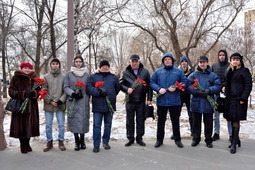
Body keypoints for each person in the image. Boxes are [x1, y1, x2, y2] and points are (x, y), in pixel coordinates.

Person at [150, 53, 187, 148]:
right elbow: (152, 82)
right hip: (162, 102)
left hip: (174, 101)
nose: (167, 61)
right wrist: (158, 89)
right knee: (161, 122)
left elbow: (184, 82)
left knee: (175, 121)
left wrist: (177, 88)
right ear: (163, 61)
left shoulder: (178, 71)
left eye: (169, 59)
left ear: (172, 61)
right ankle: (159, 140)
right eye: (165, 59)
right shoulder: (158, 72)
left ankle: (177, 139)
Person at [187, 56, 221, 148]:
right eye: (200, 62)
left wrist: (209, 90)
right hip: (196, 102)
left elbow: (218, 85)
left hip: (208, 102)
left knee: (208, 123)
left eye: (204, 62)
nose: (202, 64)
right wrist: (196, 92)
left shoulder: (213, 75)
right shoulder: (193, 75)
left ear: (207, 63)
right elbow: (188, 85)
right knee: (196, 122)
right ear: (198, 63)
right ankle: (196, 138)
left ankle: (208, 139)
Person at [86, 60, 120, 153]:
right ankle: (96, 144)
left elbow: (117, 89)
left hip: (110, 105)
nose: (105, 67)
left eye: (106, 65)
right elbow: (88, 88)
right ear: (100, 67)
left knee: (108, 125)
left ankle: (105, 141)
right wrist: (99, 92)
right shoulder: (93, 76)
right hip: (98, 105)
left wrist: (111, 96)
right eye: (103, 65)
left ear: (109, 67)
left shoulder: (113, 77)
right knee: (97, 125)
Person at [120, 54, 153, 147]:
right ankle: (130, 138)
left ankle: (139, 138)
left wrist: (149, 98)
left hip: (141, 101)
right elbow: (120, 84)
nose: (134, 63)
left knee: (140, 120)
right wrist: (127, 89)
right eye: (132, 61)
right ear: (130, 62)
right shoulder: (125, 72)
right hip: (130, 101)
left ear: (139, 62)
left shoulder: (145, 72)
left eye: (136, 61)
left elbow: (149, 86)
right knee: (129, 120)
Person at [223, 53, 252, 154]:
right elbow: (227, 82)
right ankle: (237, 139)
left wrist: (243, 97)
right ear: (230, 61)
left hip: (239, 100)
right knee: (231, 118)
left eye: (237, 59)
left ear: (240, 61)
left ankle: (234, 143)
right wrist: (224, 87)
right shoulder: (229, 71)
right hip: (230, 99)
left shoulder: (244, 71)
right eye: (233, 59)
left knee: (235, 120)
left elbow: (248, 85)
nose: (235, 61)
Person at [8, 62, 40, 154]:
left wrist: (34, 93)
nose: (27, 70)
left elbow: (38, 90)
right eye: (25, 68)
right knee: (21, 126)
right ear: (21, 68)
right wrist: (23, 94)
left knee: (30, 125)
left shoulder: (34, 78)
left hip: (32, 106)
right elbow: (11, 91)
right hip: (20, 106)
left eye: (29, 68)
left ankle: (28, 143)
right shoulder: (16, 78)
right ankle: (23, 144)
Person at [63, 54, 90, 151]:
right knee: (74, 121)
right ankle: (76, 142)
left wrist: (86, 96)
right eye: (76, 62)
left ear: (82, 63)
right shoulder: (69, 74)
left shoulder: (86, 74)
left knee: (82, 121)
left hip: (83, 101)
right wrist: (73, 93)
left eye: (80, 62)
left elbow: (89, 87)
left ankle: (82, 141)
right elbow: (65, 87)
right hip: (73, 101)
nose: (78, 63)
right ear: (74, 63)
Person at [42, 58, 67, 152]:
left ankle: (61, 141)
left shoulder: (64, 77)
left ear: (59, 65)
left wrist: (60, 101)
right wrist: (49, 100)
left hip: (60, 105)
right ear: (50, 65)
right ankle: (49, 142)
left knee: (61, 124)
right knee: (48, 125)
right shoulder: (46, 77)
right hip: (49, 105)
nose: (55, 65)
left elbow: (65, 90)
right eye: (53, 64)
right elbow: (43, 90)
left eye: (57, 64)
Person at [211, 49, 232, 141]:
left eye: (223, 55)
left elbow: (232, 79)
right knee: (216, 115)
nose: (221, 57)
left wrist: (225, 87)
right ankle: (216, 133)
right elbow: (212, 79)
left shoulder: (230, 66)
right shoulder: (214, 66)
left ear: (226, 56)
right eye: (220, 55)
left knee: (229, 115)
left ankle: (231, 134)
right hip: (216, 93)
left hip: (227, 94)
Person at [178, 56, 194, 135]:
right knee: (177, 114)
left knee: (191, 114)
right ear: (180, 63)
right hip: (179, 95)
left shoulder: (192, 72)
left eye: (185, 61)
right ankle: (176, 132)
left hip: (189, 95)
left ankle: (193, 131)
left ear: (187, 63)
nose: (184, 63)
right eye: (182, 61)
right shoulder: (177, 71)